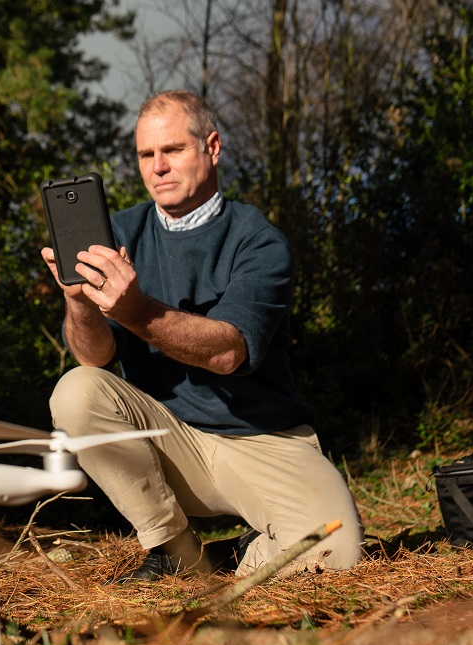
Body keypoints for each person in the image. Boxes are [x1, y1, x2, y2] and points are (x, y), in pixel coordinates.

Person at [40, 90, 363, 582]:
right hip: (171, 442)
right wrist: (79, 300)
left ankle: (226, 557)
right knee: (76, 390)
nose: (158, 167)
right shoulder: (117, 233)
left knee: (335, 552)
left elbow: (228, 352)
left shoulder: (258, 240)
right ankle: (171, 549)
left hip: (264, 438)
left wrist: (135, 309)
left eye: (173, 150)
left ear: (212, 147)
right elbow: (95, 357)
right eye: (146, 155)